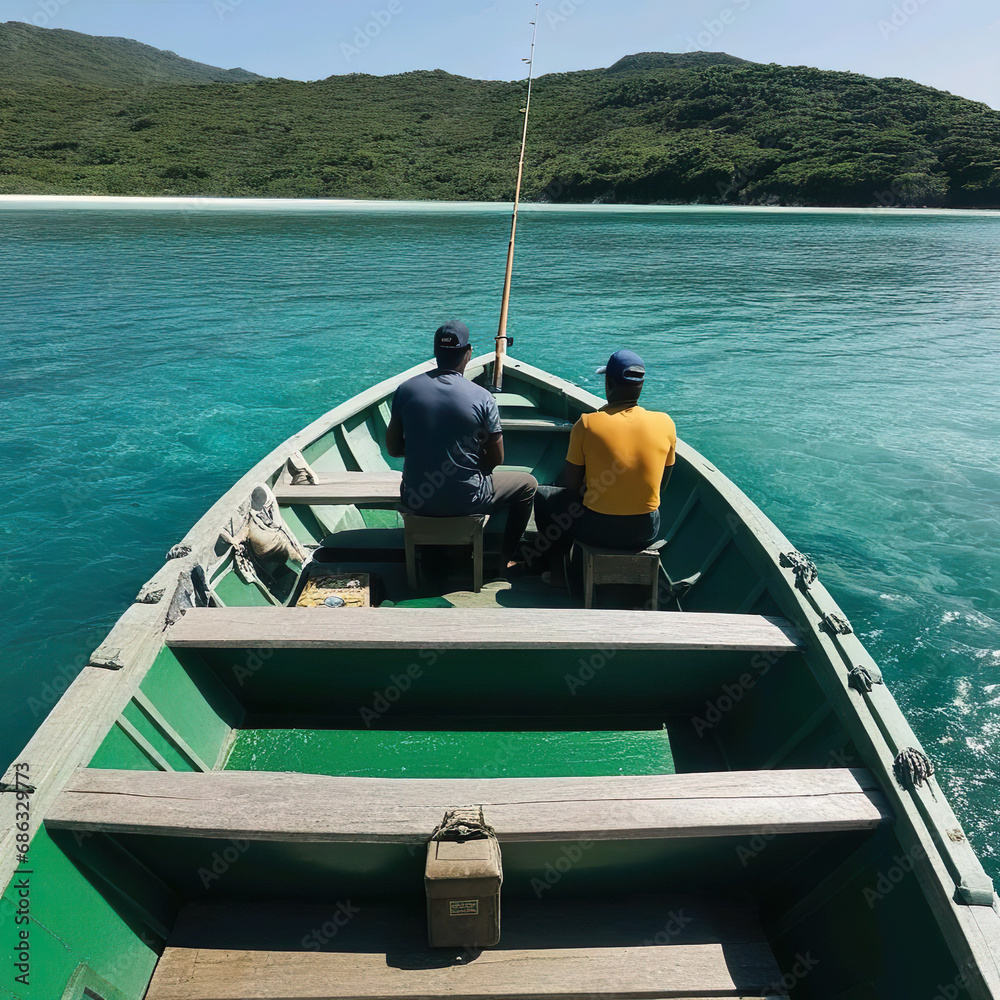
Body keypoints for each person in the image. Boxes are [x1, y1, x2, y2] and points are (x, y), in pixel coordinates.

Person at [386, 320, 537, 574]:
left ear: (435, 352)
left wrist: (425, 447)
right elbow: (497, 457)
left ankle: (435, 555)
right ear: (468, 353)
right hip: (468, 500)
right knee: (527, 485)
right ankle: (503, 559)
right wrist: (476, 465)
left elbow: (393, 448)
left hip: (417, 499)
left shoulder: (406, 390)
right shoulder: (482, 397)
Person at [531, 349, 676, 584]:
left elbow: (570, 486)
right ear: (641, 385)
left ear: (609, 383)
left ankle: (554, 569)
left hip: (596, 530)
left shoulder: (588, 424)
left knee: (544, 496)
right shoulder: (665, 423)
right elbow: (662, 485)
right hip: (645, 531)